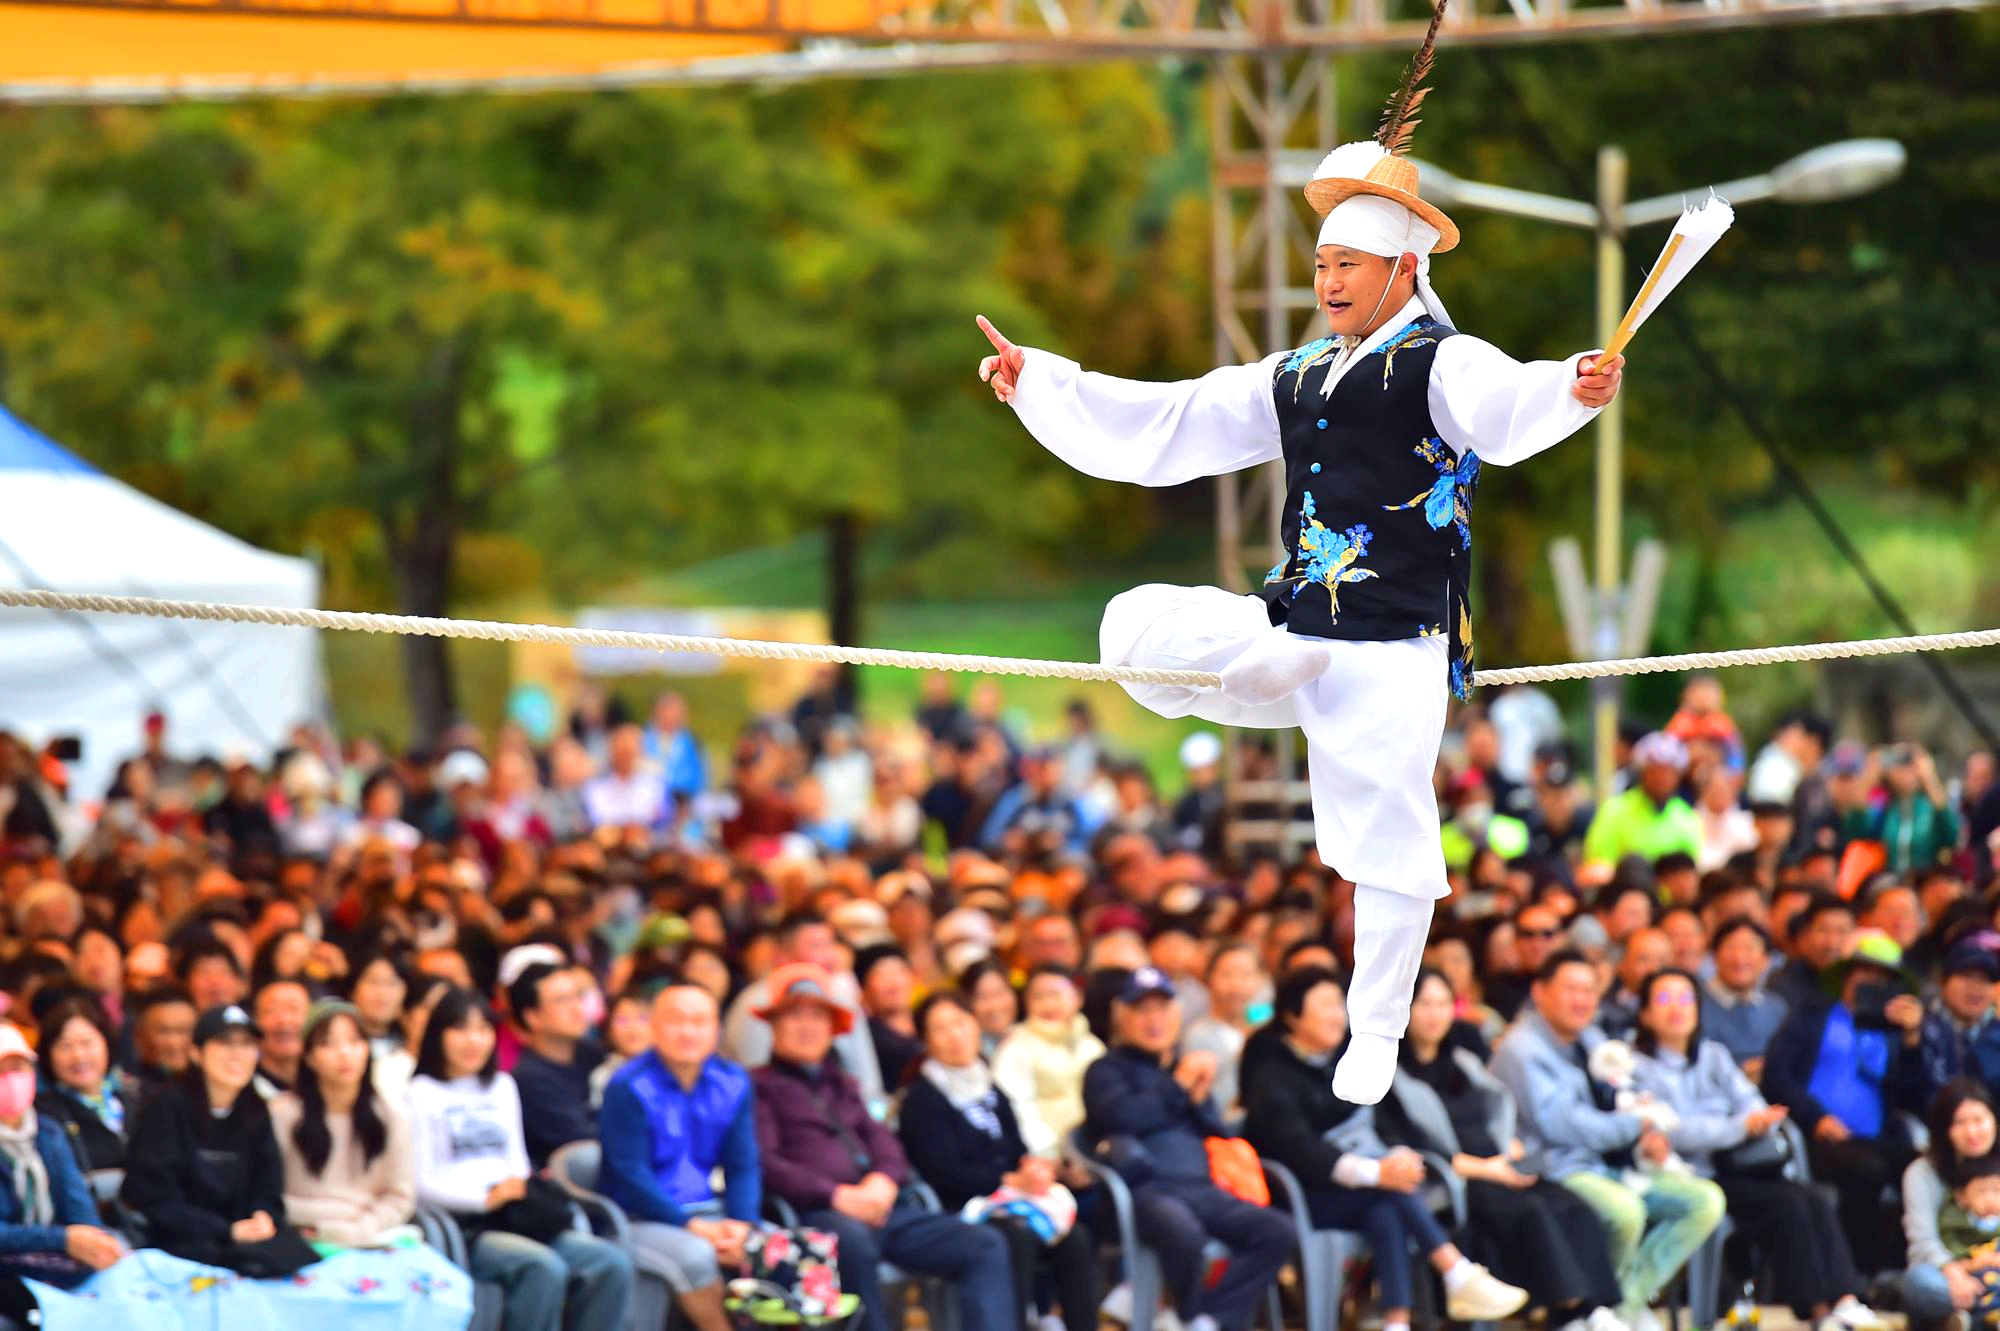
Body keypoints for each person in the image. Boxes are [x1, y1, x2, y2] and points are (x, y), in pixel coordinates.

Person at [974, 30, 1625, 1103]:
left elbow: (1510, 407)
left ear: (1403, 270)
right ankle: (1260, 673)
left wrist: (1570, 386)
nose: (1325, 282)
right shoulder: (1297, 372)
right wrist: (1041, 380)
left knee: (1390, 838)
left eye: (1345, 266)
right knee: (1128, 626)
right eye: (1319, 265)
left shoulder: (1443, 361)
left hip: (1393, 641)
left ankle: (1376, 1028)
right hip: (1293, 625)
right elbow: (1169, 422)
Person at [1241, 967, 1529, 1331]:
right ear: (1292, 1015)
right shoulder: (1273, 1073)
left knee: (1385, 1209)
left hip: (1361, 1190)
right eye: (1325, 1005)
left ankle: (1398, 1321)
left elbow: (1384, 1120)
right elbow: (1299, 1149)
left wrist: (1396, 1156)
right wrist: (1375, 1172)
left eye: (1340, 1004)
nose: (1337, 1015)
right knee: (1388, 1194)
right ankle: (1455, 1272)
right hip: (1304, 1194)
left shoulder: (1345, 1059)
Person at [749, 965, 1017, 1331]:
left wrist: (884, 1181)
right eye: (795, 1017)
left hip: (882, 1207)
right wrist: (835, 1195)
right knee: (853, 1246)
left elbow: (885, 1144)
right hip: (816, 1215)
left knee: (984, 1243)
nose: (807, 1027)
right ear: (774, 1027)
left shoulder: (842, 1084)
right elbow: (767, 1161)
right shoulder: (759, 1087)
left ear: (831, 1029)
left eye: (818, 1018)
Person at [1628, 968, 1885, 1331]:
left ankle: (1845, 1300)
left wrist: (1749, 1121)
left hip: (1738, 1164)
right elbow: (1672, 1130)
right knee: (1788, 1205)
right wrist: (1737, 1127)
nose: (1677, 1008)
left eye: (1686, 998)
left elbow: (1750, 1101)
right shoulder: (1637, 1067)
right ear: (1645, 1013)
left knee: (1812, 1197)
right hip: (1691, 1174)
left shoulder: (1712, 1055)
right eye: (1664, 999)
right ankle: (1818, 1311)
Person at [1488, 951, 1725, 1330]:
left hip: (1608, 1162)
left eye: (1589, 990)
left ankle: (1620, 1307)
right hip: (1551, 1167)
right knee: (1624, 1212)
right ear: (1539, 991)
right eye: (1571, 989)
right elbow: (1561, 1126)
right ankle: (1592, 1309)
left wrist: (1649, 1131)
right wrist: (1636, 1124)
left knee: (1704, 1201)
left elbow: (1626, 1091)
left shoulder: (1590, 1036)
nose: (1581, 1000)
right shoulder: (1522, 1048)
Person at [1375, 970, 1623, 1331]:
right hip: (1457, 1180)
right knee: (1532, 1212)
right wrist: (1488, 1169)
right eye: (1424, 1004)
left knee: (1573, 1206)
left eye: (1443, 1004)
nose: (1434, 1014)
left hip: (1500, 1165)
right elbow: (1413, 1147)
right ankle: (1572, 1310)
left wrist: (1509, 1146)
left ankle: (1593, 1309)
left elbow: (1497, 1109)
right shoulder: (1392, 1075)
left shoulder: (1462, 1059)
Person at [1083, 965, 1296, 1331]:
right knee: (1183, 1232)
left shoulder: (1181, 1067)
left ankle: (1205, 1320)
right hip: (1144, 1189)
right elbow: (1119, 1119)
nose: (1154, 1020)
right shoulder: (1106, 1070)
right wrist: (1178, 1088)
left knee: (1278, 1231)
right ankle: (1185, 1314)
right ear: (1122, 1017)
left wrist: (1199, 1099)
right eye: (1142, 1010)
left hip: (1202, 1187)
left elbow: (1216, 1132)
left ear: (1177, 1015)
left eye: (1163, 1009)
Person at [408, 986, 633, 1331]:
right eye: (460, 1029)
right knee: (542, 1268)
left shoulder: (502, 1085)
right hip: (467, 1225)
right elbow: (421, 1183)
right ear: (438, 1035)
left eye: (483, 1029)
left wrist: (515, 1186)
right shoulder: (421, 1093)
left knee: (609, 1261)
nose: (473, 1041)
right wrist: (485, 1199)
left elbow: (516, 1158)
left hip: (517, 1212)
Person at [899, 992, 1100, 1331]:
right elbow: (943, 1172)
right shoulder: (922, 1099)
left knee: (1074, 1236)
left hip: (1010, 1199)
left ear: (975, 1025)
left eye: (960, 1023)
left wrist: (1032, 1168)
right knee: (1015, 1237)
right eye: (940, 1029)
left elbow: (1016, 1147)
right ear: (925, 1041)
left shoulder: (989, 1084)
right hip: (959, 1208)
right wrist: (1006, 1180)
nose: (955, 1035)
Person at [1761, 931, 1927, 1274]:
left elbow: (1913, 1096)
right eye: (1865, 974)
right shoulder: (1812, 1015)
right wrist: (1815, 1118)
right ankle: (1856, 1274)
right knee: (1866, 1170)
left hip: (1880, 1138)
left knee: (1920, 1168)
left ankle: (1907, 1272)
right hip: (1818, 1136)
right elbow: (1776, 1075)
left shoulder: (1893, 1031)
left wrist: (1912, 1040)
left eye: (1883, 979)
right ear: (1847, 978)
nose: (1872, 983)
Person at [598, 982, 760, 1331]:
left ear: (717, 1029)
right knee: (696, 1255)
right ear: (654, 1026)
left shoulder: (733, 1081)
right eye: (675, 1020)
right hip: (638, 1218)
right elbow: (630, 1174)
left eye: (700, 1021)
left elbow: (743, 1164)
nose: (688, 1031)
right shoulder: (627, 1085)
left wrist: (742, 1224)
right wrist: (692, 1226)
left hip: (710, 1209)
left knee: (774, 1245)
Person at [120, 1003, 319, 1275]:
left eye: (246, 1044)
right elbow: (153, 1196)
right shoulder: (166, 1107)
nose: (237, 1054)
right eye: (225, 1043)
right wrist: (225, 1231)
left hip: (248, 1241)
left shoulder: (256, 1109)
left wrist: (263, 1216)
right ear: (196, 1053)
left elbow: (268, 1185)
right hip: (181, 1240)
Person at [0, 1022, 126, 1314]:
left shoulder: (48, 1132)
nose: (11, 1080)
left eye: (18, 1068)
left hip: (53, 1259)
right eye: (1, 1071)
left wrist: (89, 1238)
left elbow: (78, 1203)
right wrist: (63, 1239)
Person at [269, 1000, 416, 1248]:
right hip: (302, 1239)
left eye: (355, 1041)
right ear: (309, 1057)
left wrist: (356, 1230)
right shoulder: (283, 1115)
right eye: (328, 1043)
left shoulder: (392, 1116)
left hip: (372, 1238)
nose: (344, 1053)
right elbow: (270, 1195)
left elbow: (400, 1198)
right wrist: (340, 1213)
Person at [723, 913, 886, 1111]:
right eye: (816, 946)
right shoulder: (756, 1003)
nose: (829, 957)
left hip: (845, 1115)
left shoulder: (842, 998)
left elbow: (868, 1084)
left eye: (831, 944)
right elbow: (755, 1086)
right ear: (781, 955)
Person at [1902, 1079, 1999, 1327]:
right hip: (1950, 1271)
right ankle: (1980, 1312)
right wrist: (1955, 1271)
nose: (1972, 1131)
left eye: (1979, 1119)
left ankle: (1966, 1316)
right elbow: (1923, 1241)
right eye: (1959, 1122)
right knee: (1919, 1283)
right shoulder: (1922, 1173)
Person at [992, 965, 1104, 1163]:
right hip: (1047, 1156)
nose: (1048, 1004)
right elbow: (1017, 1108)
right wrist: (1048, 1153)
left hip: (1095, 1145)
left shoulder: (1092, 1045)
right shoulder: (1016, 1046)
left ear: (1078, 998)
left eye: (1056, 994)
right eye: (1038, 997)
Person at [508, 960, 604, 1166]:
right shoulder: (529, 1079)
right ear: (532, 1016)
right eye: (562, 1000)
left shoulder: (594, 1054)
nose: (577, 1008)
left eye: (578, 996)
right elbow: (580, 1139)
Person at [34, 999, 129, 1174]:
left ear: (107, 1044)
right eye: (65, 1046)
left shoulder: (135, 1098)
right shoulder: (42, 1115)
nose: (78, 1055)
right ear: (47, 1055)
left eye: (87, 1043)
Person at [1584, 734, 1703, 870]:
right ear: (1642, 772)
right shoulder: (1613, 811)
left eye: (1668, 772)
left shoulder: (1687, 818)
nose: (1661, 778)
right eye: (1655, 771)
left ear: (1678, 776)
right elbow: (1598, 867)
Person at [1180, 943, 1265, 1120]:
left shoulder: (1265, 1017)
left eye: (1246, 975)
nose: (1236, 985)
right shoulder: (1198, 1034)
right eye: (1227, 974)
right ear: (1208, 979)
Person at [1699, 917, 1789, 1082]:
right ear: (1714, 956)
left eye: (1749, 949)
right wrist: (1740, 1073)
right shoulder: (1695, 1005)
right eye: (1731, 947)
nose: (1739, 958)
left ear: (1766, 960)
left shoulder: (1777, 1008)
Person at [1916, 942, 2000, 1105]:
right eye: (1967, 976)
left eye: (1985, 980)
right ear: (1943, 982)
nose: (1976, 987)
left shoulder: (1996, 1034)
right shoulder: (1921, 1027)